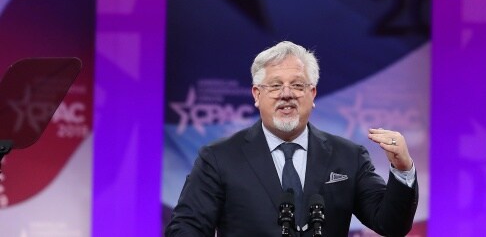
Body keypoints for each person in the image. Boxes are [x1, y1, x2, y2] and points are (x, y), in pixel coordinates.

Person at [165, 41, 418, 236]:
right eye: (275, 86)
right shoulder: (219, 158)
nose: (286, 94)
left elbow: (391, 225)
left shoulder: (348, 156)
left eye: (297, 85)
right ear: (256, 94)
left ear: (312, 93)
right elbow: (187, 230)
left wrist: (403, 169)